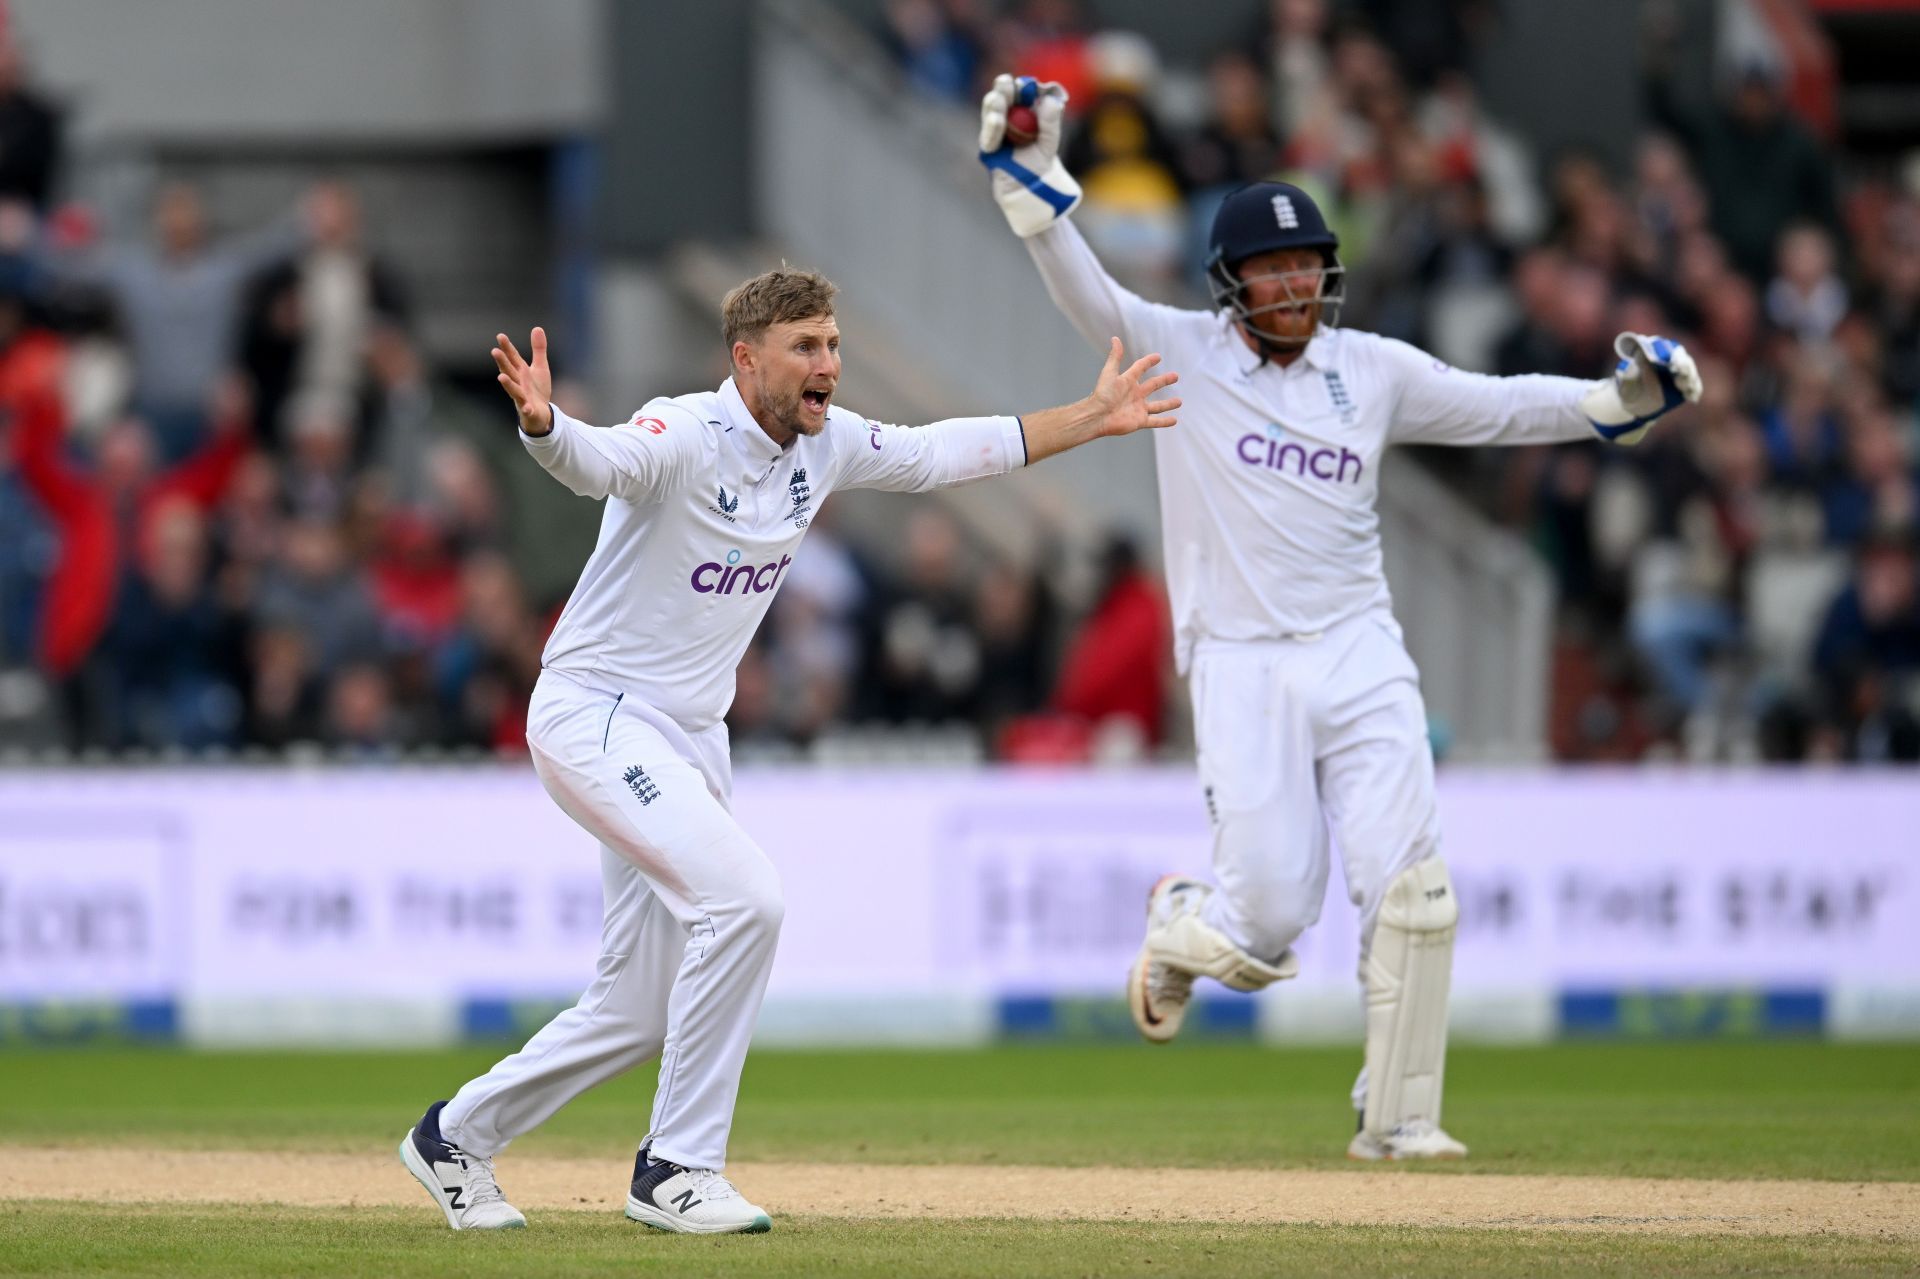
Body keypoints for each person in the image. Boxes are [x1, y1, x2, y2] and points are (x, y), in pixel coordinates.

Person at [978, 75, 1703, 1161]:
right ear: (1231, 283)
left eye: (1306, 263)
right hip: (1240, 661)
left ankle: (1398, 1115)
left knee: (1413, 890)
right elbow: (1088, 295)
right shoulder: (1179, 350)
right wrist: (1031, 179)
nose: (1292, 283)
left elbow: (1496, 404)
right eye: (1270, 268)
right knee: (1267, 921)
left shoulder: (1367, 372)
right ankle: (1185, 918)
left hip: (1360, 646)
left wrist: (1610, 407)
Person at [398, 266, 1179, 1234]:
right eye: (806, 347)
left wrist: (1090, 417)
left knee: (640, 1008)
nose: (829, 366)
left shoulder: (826, 443)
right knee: (746, 899)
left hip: (690, 733)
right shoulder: (684, 431)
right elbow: (601, 464)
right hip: (596, 713)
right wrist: (545, 426)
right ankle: (677, 1166)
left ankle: (454, 1136)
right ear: (746, 358)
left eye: (834, 344)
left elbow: (942, 452)